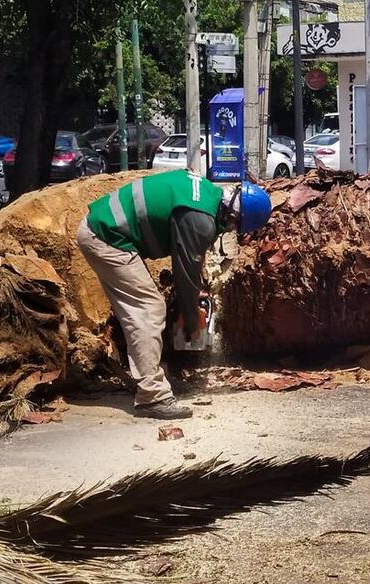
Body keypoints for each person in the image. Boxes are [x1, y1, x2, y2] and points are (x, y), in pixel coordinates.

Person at [77, 170, 272, 419]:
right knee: (149, 308)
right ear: (235, 217)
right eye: (234, 226)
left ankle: (154, 375)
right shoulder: (200, 220)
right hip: (105, 236)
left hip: (107, 229)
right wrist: (192, 324)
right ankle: (152, 396)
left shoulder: (205, 192)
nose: (230, 229)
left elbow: (191, 258)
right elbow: (184, 276)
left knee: (145, 306)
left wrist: (195, 294)